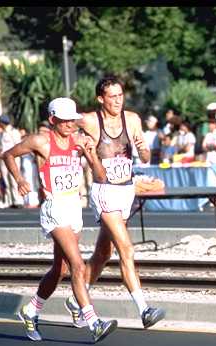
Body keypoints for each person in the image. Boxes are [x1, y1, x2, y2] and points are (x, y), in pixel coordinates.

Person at [3, 97, 118, 343]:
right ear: (53, 120)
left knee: (61, 269)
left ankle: (31, 310)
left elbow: (100, 177)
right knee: (78, 265)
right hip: (54, 209)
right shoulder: (40, 141)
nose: (70, 125)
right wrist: (20, 180)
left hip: (74, 207)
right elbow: (8, 155)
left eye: (73, 121)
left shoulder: (79, 142)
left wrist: (90, 154)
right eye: (64, 121)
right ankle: (93, 322)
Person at [65, 76, 166, 330]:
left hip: (126, 191)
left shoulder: (131, 120)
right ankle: (144, 310)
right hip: (104, 192)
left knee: (103, 253)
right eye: (112, 96)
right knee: (126, 249)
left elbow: (144, 156)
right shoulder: (89, 120)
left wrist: (143, 149)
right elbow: (63, 127)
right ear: (101, 98)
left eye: (120, 95)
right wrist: (78, 145)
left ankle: (77, 301)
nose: (118, 100)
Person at [0, 114, 24, 208]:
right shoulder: (1, 134)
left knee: (14, 180)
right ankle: (10, 201)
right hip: (3, 159)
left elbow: (19, 145)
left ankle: (18, 201)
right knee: (6, 180)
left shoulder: (13, 132)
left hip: (13, 158)